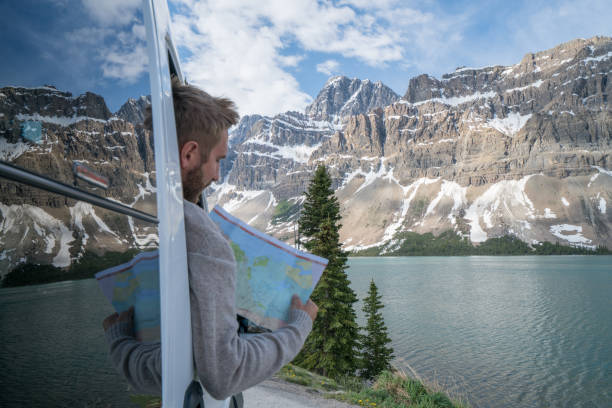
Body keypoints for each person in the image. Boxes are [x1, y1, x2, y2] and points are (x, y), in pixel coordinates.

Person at [102, 78, 318, 401]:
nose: (218, 175)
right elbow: (224, 373)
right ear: (189, 153)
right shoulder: (206, 242)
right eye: (218, 160)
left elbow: (166, 367)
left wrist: (122, 342)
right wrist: (297, 329)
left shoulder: (143, 218)